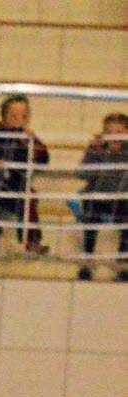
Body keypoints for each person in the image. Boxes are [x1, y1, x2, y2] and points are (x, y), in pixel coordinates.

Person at [0, 94, 49, 253]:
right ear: (4, 117)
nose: (20, 120)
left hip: (14, 187)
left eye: (24, 116)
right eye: (14, 116)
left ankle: (32, 241)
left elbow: (43, 160)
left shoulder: (28, 140)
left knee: (29, 198)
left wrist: (33, 142)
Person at [75, 112, 128, 282]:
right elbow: (81, 174)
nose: (114, 138)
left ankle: (123, 264)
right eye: (109, 133)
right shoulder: (98, 151)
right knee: (90, 213)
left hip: (120, 200)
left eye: (119, 133)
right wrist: (92, 151)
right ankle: (88, 260)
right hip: (97, 198)